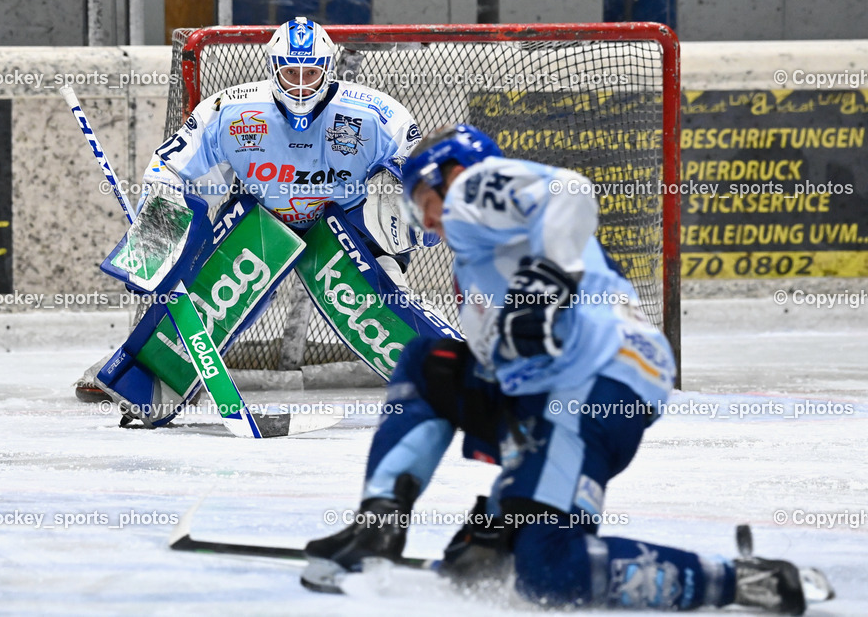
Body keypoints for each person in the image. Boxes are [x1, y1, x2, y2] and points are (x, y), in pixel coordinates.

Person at [303, 124, 809, 614]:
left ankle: (739, 581)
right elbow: (504, 366)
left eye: (422, 198)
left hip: (593, 378)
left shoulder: (471, 191)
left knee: (550, 572)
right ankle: (393, 521)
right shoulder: (485, 261)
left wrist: (546, 281)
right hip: (581, 389)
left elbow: (570, 190)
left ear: (449, 173)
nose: (426, 217)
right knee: (487, 565)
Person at [74, 16, 433, 403]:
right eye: (290, 72)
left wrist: (417, 221)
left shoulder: (378, 115)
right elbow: (171, 170)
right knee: (209, 295)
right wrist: (154, 244)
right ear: (272, 68)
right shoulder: (230, 110)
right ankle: (146, 376)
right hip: (265, 220)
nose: (300, 84)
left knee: (384, 307)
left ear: (328, 69)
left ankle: (453, 373)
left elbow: (424, 179)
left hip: (347, 225)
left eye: (310, 72)